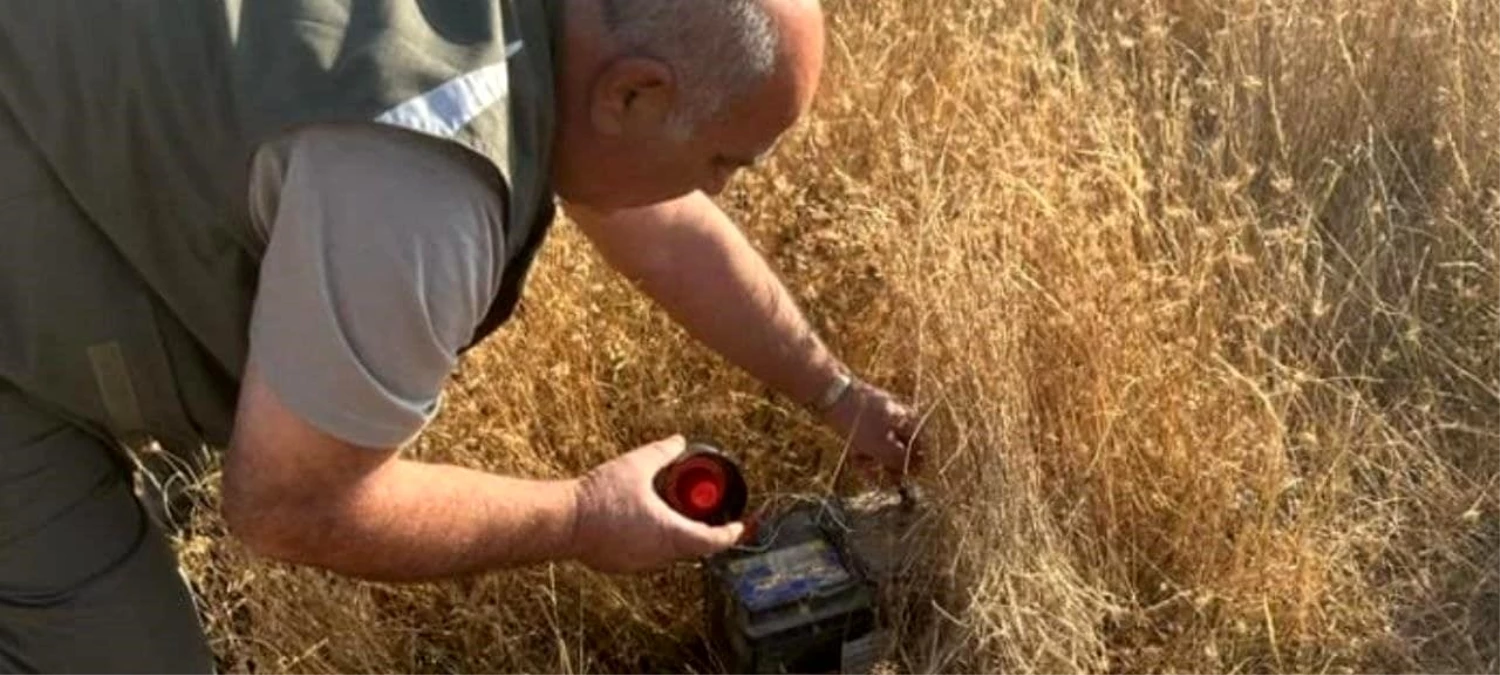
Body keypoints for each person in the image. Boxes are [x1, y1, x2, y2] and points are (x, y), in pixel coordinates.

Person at [0, 0, 921, 671]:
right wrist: (584, 517)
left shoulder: (552, 43)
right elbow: (289, 505)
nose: (718, 189)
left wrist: (837, 393)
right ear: (635, 92)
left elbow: (660, 220)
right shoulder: (420, 188)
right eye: (722, 158)